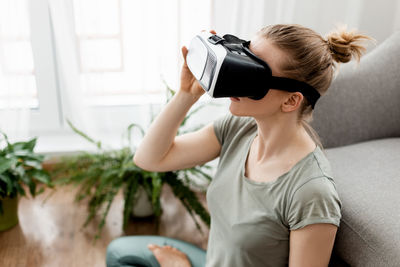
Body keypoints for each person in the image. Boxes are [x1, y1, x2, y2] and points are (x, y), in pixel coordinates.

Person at [106, 24, 372, 267]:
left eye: (252, 73)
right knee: (120, 254)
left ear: (291, 101)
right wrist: (186, 95)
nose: (233, 77)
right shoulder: (240, 129)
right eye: (242, 56)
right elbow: (150, 159)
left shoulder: (311, 192)